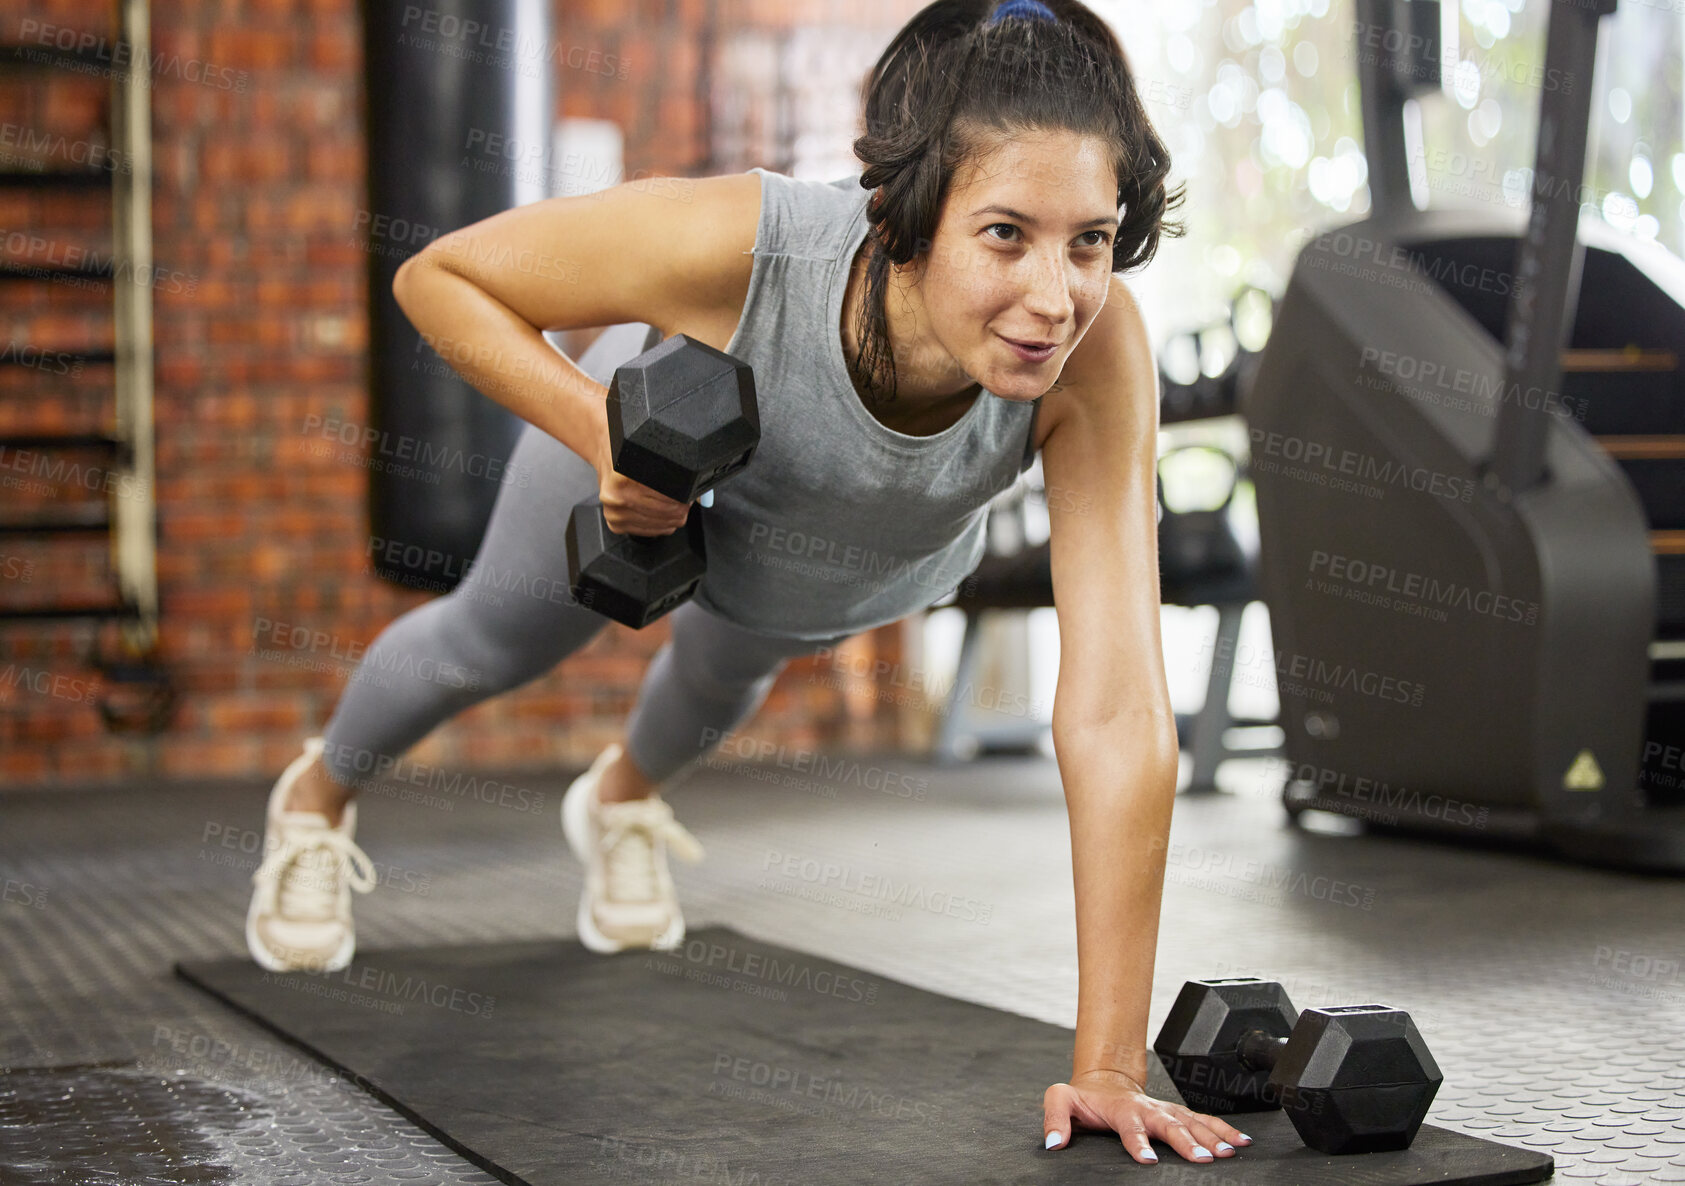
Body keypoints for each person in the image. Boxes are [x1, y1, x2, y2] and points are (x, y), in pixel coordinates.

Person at [244, 0, 1246, 1165]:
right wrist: (599, 435)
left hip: (841, 562)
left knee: (728, 664)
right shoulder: (744, 239)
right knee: (491, 644)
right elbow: (440, 280)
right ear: (909, 212)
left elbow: (1119, 703)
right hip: (654, 455)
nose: (1053, 297)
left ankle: (618, 796)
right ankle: (314, 801)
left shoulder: (1100, 350)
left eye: (1088, 239)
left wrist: (1109, 1066)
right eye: (1006, 234)